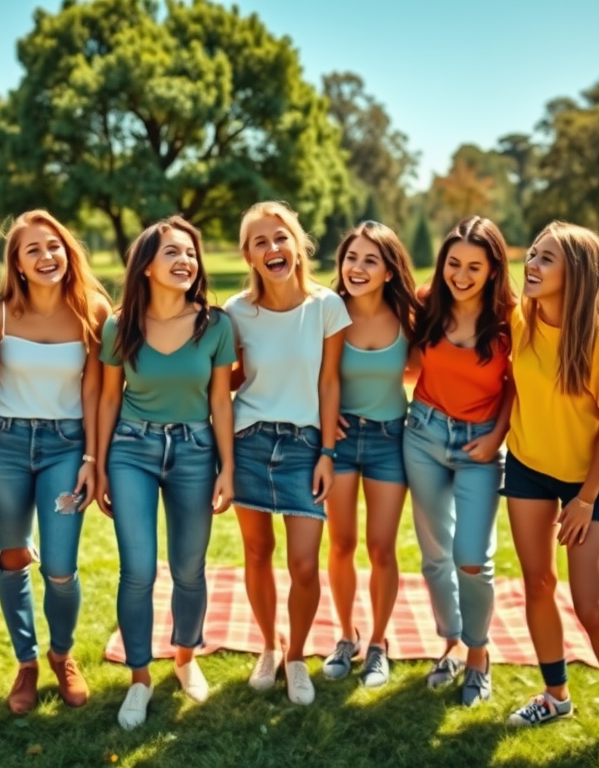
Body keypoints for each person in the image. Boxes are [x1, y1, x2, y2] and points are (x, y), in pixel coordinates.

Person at [504, 223, 599, 765]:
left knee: (589, 604)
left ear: (578, 274)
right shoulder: (522, 320)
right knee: (538, 584)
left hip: (590, 481)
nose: (532, 265)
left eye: (546, 259)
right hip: (527, 469)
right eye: (532, 254)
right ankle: (556, 696)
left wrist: (585, 499)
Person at [96, 216, 236, 729]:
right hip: (131, 450)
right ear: (147, 268)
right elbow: (110, 399)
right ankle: (139, 677)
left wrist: (227, 468)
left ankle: (185, 657)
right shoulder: (119, 326)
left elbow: (221, 400)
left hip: (196, 451)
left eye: (190, 254)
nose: (185, 262)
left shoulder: (216, 325)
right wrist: (101, 464)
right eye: (172, 253)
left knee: (188, 568)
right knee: (137, 569)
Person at [0, 210, 111, 715]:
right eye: (32, 250)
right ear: (17, 263)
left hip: (66, 446)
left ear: (67, 251)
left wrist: (93, 457)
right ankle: (27, 663)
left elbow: (96, 390)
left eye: (53, 246)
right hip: (4, 444)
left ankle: (62, 653)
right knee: (12, 558)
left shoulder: (92, 311)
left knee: (59, 567)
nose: (46, 256)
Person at [224, 201, 350, 706]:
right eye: (260, 242)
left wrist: (327, 452)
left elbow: (329, 381)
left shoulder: (327, 306)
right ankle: (269, 648)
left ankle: (297, 655)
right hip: (248, 440)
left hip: (304, 446)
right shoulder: (236, 313)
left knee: (303, 563)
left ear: (298, 244)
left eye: (280, 237)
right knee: (257, 552)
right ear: (249, 256)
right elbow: (227, 381)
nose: (272, 248)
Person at [403, 215, 515, 706]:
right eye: (453, 264)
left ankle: (478, 652)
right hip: (423, 435)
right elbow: (399, 358)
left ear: (493, 269)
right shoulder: (427, 303)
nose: (461, 275)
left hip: (481, 448)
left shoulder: (512, 316)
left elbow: (518, 387)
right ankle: (450, 645)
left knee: (473, 560)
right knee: (434, 557)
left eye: (474, 266)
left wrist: (497, 436)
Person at [320, 221, 417, 687]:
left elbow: (428, 371)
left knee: (381, 546)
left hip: (389, 441)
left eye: (370, 260)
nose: (356, 268)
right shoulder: (327, 311)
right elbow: (307, 369)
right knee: (341, 544)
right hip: (337, 444)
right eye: (351, 258)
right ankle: (345, 635)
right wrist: (323, 418)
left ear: (389, 272)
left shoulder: (408, 320)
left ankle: (378, 643)